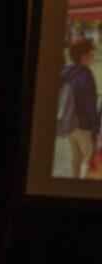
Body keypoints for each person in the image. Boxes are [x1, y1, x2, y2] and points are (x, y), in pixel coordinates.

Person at [61, 39, 100, 178]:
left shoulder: (67, 71)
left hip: (69, 124)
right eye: (91, 54)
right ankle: (81, 187)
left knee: (76, 156)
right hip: (84, 127)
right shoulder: (86, 76)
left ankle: (72, 182)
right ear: (83, 56)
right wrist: (96, 130)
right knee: (89, 159)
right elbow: (90, 107)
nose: (93, 56)